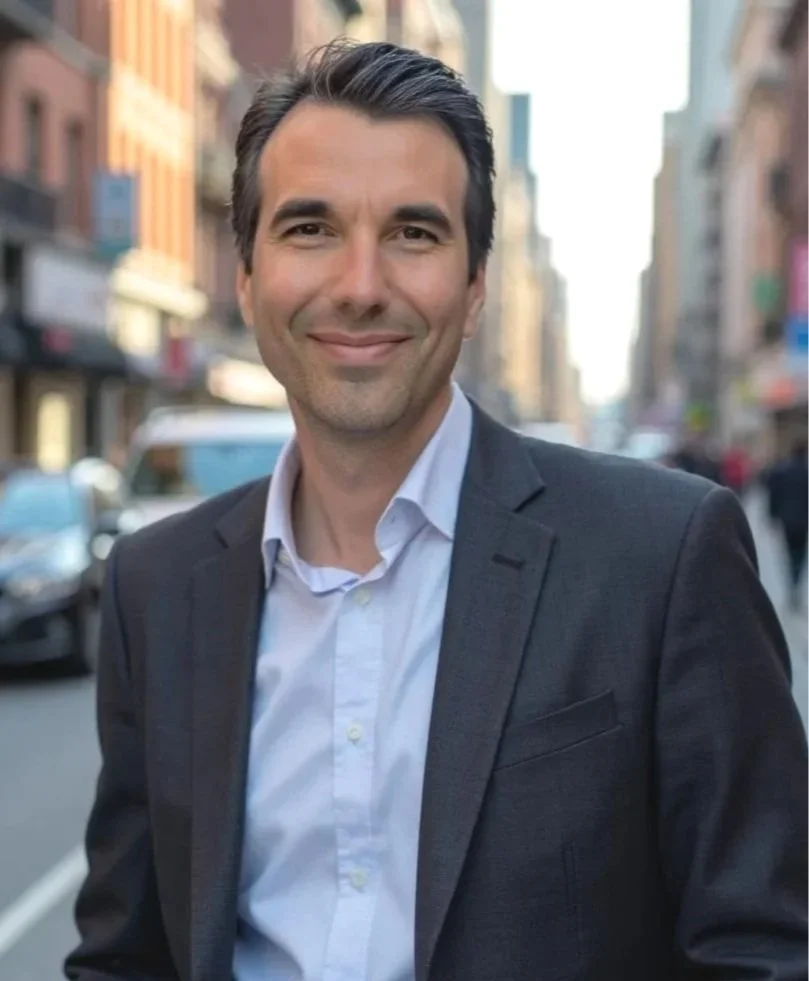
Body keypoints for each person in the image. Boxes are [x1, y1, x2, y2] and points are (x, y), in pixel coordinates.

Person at [65, 41, 807, 981]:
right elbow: (125, 954)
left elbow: (761, 947)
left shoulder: (662, 556)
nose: (362, 284)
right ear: (246, 276)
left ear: (475, 283)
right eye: (309, 229)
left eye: (413, 233)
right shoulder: (155, 587)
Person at [767, 438, 809, 611]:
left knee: (789, 552)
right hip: (803, 519)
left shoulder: (781, 471)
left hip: (786, 519)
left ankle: (791, 583)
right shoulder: (806, 472)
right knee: (800, 553)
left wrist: (772, 516)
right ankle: (795, 582)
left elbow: (773, 496)